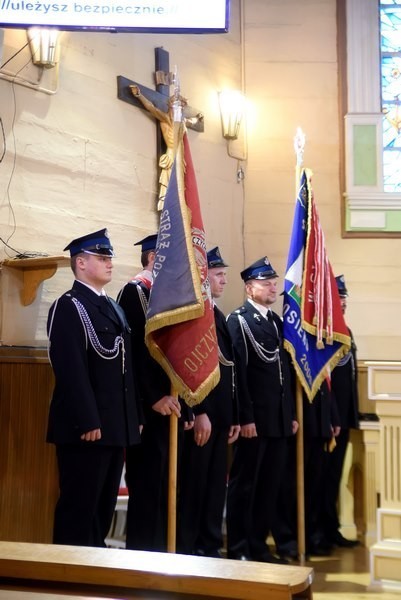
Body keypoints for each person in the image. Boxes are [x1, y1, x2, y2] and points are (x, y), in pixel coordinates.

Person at [46, 228, 141, 547]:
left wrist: (134, 417)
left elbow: (127, 370)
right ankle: (68, 572)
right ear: (81, 263)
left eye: (109, 257)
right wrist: (87, 419)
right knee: (79, 509)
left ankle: (94, 568)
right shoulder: (69, 306)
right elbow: (70, 369)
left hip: (114, 426)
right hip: (86, 429)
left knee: (102, 510)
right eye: (101, 257)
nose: (109, 262)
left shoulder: (112, 307)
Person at [117, 233, 192, 551]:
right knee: (148, 488)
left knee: (168, 486)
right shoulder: (135, 292)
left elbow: (179, 355)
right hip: (149, 409)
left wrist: (187, 404)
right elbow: (134, 353)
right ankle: (144, 559)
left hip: (173, 405)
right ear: (152, 258)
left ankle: (165, 554)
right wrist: (152, 397)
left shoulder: (169, 295)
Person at [225, 257, 298, 564]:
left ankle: (258, 545)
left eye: (273, 283)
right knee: (246, 485)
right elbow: (239, 374)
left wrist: (290, 414)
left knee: (270, 486)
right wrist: (246, 417)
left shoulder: (276, 323)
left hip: (278, 419)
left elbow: (285, 372)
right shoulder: (239, 321)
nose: (272, 288)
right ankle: (239, 547)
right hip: (255, 420)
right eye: (265, 283)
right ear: (249, 288)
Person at [177, 247, 240, 558]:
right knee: (195, 483)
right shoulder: (195, 314)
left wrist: (234, 416)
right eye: (218, 275)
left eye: (224, 275)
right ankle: (189, 546)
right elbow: (190, 369)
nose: (224, 280)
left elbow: (229, 370)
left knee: (215, 486)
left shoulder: (218, 314)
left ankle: (210, 543)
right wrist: (199, 411)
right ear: (203, 277)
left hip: (222, 416)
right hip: (204, 416)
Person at [317, 274, 360, 548]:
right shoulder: (323, 333)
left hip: (343, 417)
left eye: (344, 297)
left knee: (334, 478)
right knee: (321, 477)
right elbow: (326, 381)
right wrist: (331, 415)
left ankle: (331, 529)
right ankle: (318, 532)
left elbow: (350, 377)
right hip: (328, 418)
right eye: (338, 297)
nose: (342, 302)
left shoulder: (346, 331)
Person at [130, 85, 187, 211]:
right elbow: (151, 107)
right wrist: (139, 95)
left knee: (179, 186)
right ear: (170, 106)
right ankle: (166, 206)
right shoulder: (165, 118)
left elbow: (192, 121)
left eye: (182, 108)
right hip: (171, 155)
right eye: (177, 107)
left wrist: (198, 117)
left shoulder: (182, 124)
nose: (179, 111)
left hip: (179, 158)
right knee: (168, 182)